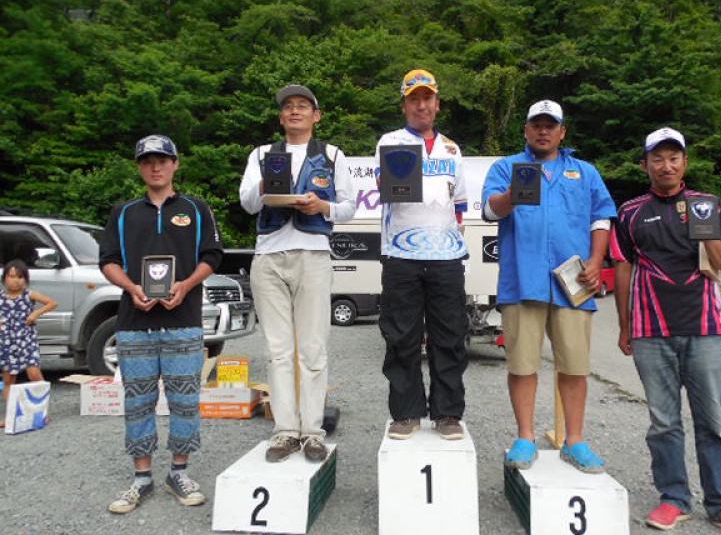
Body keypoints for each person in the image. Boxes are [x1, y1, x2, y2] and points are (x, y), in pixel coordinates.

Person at [611, 128, 721, 535]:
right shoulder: (629, 212)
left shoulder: (708, 206)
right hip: (650, 328)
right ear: (645, 165)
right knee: (663, 422)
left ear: (685, 163)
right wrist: (624, 326)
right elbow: (623, 266)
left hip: (706, 327)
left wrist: (707, 230)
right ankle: (673, 499)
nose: (666, 165)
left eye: (674, 157)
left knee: (714, 421)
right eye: (657, 158)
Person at [482, 99, 616, 472]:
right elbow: (490, 210)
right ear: (525, 130)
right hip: (522, 280)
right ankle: (524, 438)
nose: (543, 131)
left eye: (550, 125)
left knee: (575, 365)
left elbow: (602, 219)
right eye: (535, 125)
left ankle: (575, 440)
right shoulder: (507, 166)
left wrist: (595, 261)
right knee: (523, 364)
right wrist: (514, 192)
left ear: (562, 132)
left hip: (574, 283)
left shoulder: (585, 172)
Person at [99, 134, 223, 514]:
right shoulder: (124, 211)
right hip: (134, 320)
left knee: (185, 401)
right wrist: (131, 286)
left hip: (183, 319)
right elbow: (108, 260)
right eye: (148, 160)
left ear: (175, 164)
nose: (156, 166)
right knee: (138, 402)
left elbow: (212, 255)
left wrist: (186, 284)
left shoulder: (196, 208)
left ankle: (180, 472)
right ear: (139, 167)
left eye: (162, 160)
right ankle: (141, 478)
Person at [239, 84, 355, 463]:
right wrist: (266, 185)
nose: (294, 111)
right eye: (288, 107)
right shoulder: (261, 154)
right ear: (280, 116)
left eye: (302, 106)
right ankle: (285, 430)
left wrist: (322, 205)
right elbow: (247, 203)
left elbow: (349, 206)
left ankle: (313, 431)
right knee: (277, 350)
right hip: (269, 254)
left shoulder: (332, 154)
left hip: (314, 254)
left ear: (316, 116)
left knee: (313, 348)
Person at [375, 69, 469, 441]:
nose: (421, 105)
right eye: (414, 98)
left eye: (427, 98)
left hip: (446, 256)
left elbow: (459, 204)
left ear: (437, 104)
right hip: (401, 253)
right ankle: (406, 412)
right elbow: (386, 190)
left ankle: (447, 413)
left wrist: (451, 237)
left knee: (449, 335)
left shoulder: (452, 148)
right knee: (401, 336)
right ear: (404, 105)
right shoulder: (391, 141)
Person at [0, 259, 58, 428]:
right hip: (7, 341)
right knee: (9, 378)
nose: (15, 280)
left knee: (34, 372)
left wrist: (36, 314)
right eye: (11, 276)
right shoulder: (2, 297)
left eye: (19, 277)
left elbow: (52, 303)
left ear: (25, 279)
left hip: (26, 339)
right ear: (5, 279)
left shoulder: (29, 295)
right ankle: (11, 415)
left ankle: (42, 412)